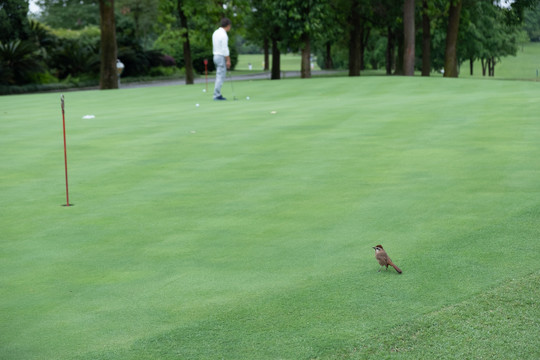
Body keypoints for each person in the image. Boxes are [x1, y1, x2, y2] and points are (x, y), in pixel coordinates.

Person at [212, 18, 231, 101]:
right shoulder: (224, 35)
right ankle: (217, 95)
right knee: (220, 76)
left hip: (215, 56)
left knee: (218, 75)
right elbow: (224, 49)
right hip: (220, 56)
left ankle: (217, 94)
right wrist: (228, 60)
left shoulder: (215, 32)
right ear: (228, 26)